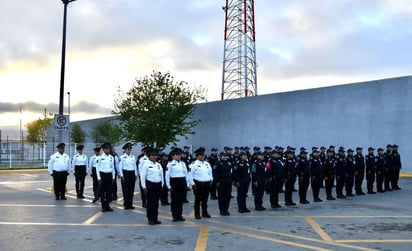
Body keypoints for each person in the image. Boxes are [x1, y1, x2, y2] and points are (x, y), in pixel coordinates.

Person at [140, 150, 163, 225]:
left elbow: (161, 175)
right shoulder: (146, 165)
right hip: (150, 185)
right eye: (153, 156)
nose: (154, 157)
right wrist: (144, 186)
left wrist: (162, 184)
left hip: (158, 185)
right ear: (149, 156)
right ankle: (150, 219)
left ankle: (155, 218)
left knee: (156, 203)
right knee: (150, 203)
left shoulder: (158, 165)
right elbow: (143, 176)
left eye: (155, 156)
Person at [189, 148, 213, 219]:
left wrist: (211, 180)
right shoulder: (194, 164)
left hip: (207, 183)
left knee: (205, 199)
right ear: (197, 156)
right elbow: (190, 175)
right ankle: (197, 214)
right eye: (200, 155)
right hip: (198, 184)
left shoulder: (207, 163)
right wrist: (193, 183)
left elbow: (210, 173)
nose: (202, 156)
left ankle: (204, 213)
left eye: (203, 155)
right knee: (198, 200)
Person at [166, 148, 189, 222]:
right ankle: (174, 216)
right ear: (173, 156)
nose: (178, 156)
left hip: (182, 182)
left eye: (179, 155)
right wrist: (168, 186)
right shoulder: (170, 164)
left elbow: (186, 174)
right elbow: (167, 175)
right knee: (174, 200)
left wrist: (187, 183)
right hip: (174, 182)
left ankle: (180, 215)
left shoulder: (183, 163)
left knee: (180, 200)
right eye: (176, 155)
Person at [96, 143, 115, 212]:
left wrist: (113, 176)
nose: (107, 150)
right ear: (103, 150)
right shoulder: (100, 158)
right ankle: (103, 206)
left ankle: (108, 205)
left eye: (108, 149)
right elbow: (97, 168)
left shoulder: (111, 157)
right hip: (102, 175)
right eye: (106, 149)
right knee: (102, 191)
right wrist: (98, 177)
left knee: (109, 191)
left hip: (109, 175)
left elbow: (113, 167)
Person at [118, 142, 138, 210]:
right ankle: (126, 204)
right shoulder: (122, 157)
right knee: (125, 190)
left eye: (130, 149)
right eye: (128, 149)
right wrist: (121, 175)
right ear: (125, 150)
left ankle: (130, 204)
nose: (129, 150)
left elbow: (134, 166)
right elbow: (120, 167)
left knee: (131, 189)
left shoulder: (133, 156)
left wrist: (135, 174)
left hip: (132, 173)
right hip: (125, 173)